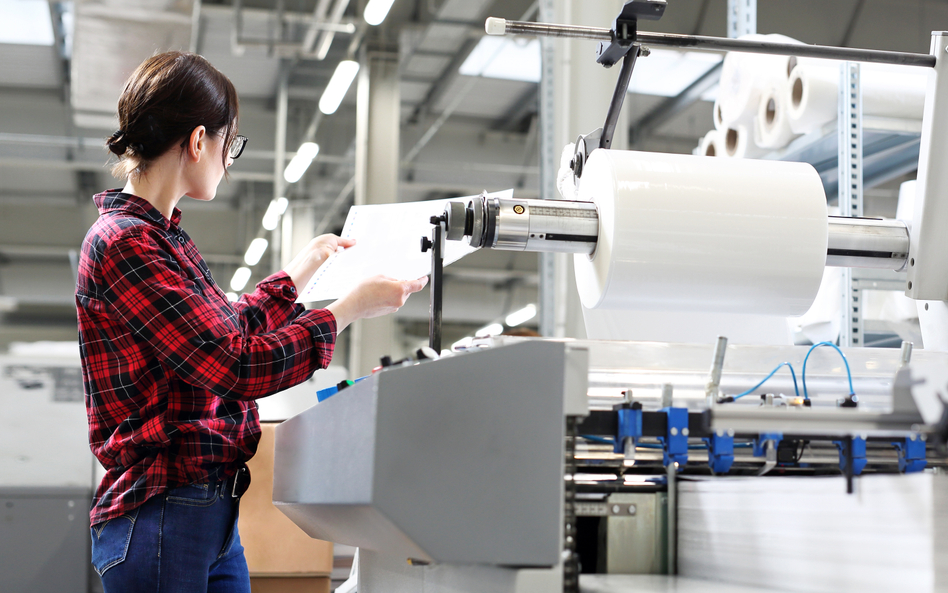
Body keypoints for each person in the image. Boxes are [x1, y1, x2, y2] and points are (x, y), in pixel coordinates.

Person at [76, 50, 426, 593]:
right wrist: (347, 310)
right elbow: (234, 365)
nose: (227, 159)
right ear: (198, 141)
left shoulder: (165, 240)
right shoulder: (126, 244)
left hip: (207, 512)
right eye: (228, 143)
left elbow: (228, 330)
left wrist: (304, 269)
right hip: (162, 511)